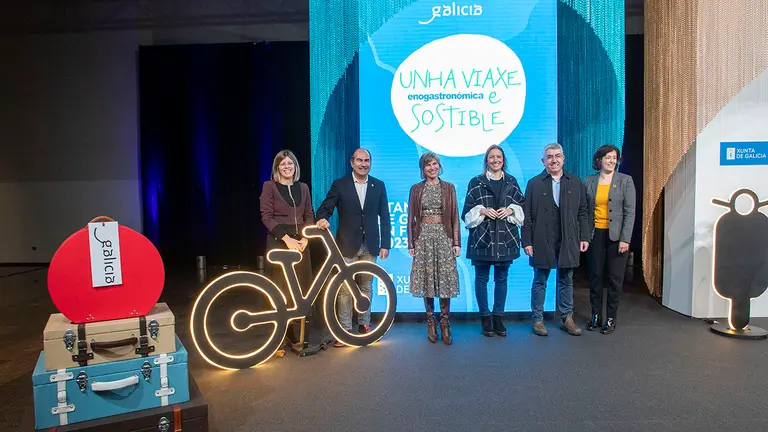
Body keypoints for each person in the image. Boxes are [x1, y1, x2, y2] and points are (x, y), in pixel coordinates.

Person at [316, 148, 391, 347]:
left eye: (367, 160)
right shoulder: (340, 185)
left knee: (366, 286)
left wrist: (386, 244)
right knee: (345, 289)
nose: (363, 164)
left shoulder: (379, 185)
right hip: (346, 244)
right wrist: (322, 218)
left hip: (371, 245)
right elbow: (325, 208)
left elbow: (385, 216)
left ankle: (364, 326)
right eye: (360, 160)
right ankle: (345, 329)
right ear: (352, 163)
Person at [522, 143, 590, 337]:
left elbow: (583, 212)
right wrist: (527, 241)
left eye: (557, 156)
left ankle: (567, 318)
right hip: (542, 238)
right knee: (540, 280)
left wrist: (584, 236)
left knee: (566, 280)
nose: (554, 160)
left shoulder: (575, 182)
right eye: (549, 156)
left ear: (563, 159)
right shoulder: (534, 183)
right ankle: (537, 319)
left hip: (568, 238)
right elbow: (527, 215)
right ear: (543, 161)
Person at [462, 144, 525, 337]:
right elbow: (466, 213)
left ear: (503, 160)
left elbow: (522, 207)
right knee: (481, 279)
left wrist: (511, 210)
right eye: (491, 157)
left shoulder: (512, 182)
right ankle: (485, 318)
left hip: (505, 238)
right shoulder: (476, 182)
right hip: (483, 238)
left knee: (501, 279)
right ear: (486, 161)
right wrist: (481, 210)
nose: (495, 160)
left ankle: (498, 318)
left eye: (498, 157)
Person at [259, 149, 315, 344]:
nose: (287, 167)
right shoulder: (269, 187)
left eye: (290, 163)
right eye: (283, 164)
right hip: (279, 243)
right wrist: (286, 239)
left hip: (300, 244)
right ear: (277, 168)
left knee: (299, 290)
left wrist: (305, 239)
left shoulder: (304, 188)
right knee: (279, 290)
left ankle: (293, 332)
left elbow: (309, 214)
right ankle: (278, 338)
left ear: (295, 166)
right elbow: (266, 216)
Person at [407, 152, 460, 345]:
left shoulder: (449, 188)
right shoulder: (416, 189)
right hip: (424, 238)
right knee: (428, 280)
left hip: (444, 236)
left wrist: (456, 242)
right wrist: (411, 243)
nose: (432, 168)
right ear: (423, 169)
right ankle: (431, 322)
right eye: (428, 165)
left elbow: (454, 216)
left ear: (439, 166)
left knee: (445, 280)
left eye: (435, 164)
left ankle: (445, 323)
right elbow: (411, 217)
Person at [584, 145, 636, 334]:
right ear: (599, 160)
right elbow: (584, 211)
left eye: (614, 157)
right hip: (595, 234)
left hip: (616, 237)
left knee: (614, 279)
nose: (611, 161)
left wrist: (625, 239)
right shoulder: (589, 181)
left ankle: (611, 318)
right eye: (607, 157)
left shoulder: (625, 181)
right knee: (595, 277)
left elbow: (630, 212)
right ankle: (596, 315)